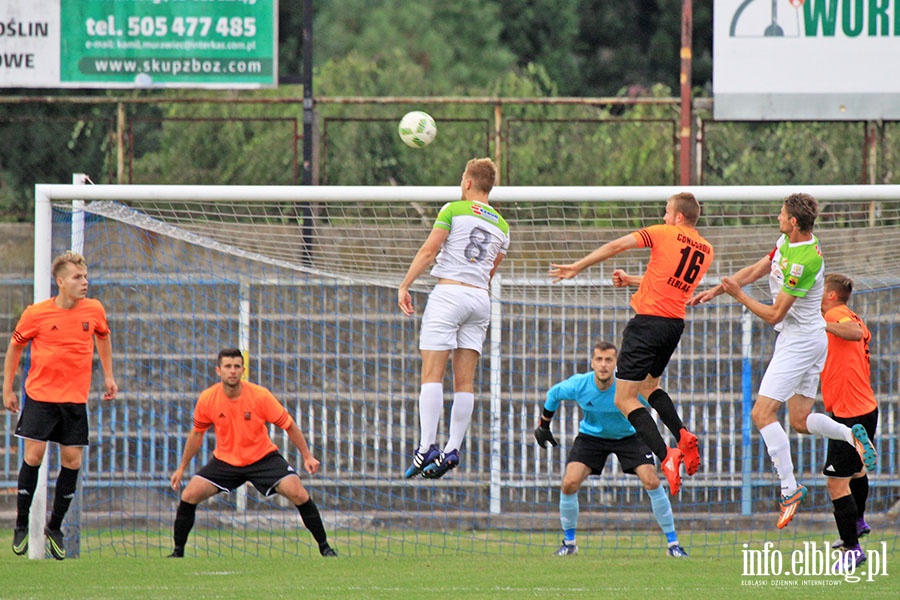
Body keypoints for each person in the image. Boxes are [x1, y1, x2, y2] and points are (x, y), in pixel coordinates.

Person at [689, 193, 876, 529]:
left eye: (781, 212)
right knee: (800, 421)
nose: (777, 215)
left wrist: (739, 296)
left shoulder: (805, 261)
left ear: (793, 221)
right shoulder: (787, 242)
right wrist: (718, 289)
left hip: (799, 342)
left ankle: (789, 488)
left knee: (762, 413)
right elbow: (760, 268)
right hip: (809, 338)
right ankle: (851, 436)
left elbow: (775, 312)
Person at [549, 192, 713, 495]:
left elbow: (615, 246)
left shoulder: (663, 232)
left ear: (678, 217)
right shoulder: (705, 249)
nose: (663, 217)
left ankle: (667, 455)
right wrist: (631, 280)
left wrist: (578, 266)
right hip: (674, 326)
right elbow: (669, 282)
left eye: (666, 212)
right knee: (650, 388)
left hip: (647, 324)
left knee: (623, 399)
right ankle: (682, 432)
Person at [398, 157, 510, 479]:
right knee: (465, 381)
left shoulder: (452, 209)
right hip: (479, 299)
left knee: (432, 374)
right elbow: (490, 271)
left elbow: (429, 251)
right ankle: (452, 449)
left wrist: (405, 284)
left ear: (468, 182)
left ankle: (426, 447)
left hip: (450, 293)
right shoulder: (503, 226)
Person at [3, 250, 118, 560]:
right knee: (34, 455)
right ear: (61, 282)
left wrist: (108, 376)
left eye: (86, 276)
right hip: (40, 396)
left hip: (74, 400)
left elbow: (103, 338)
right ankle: (22, 523)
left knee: (72, 462)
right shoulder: (36, 313)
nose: (85, 282)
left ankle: (54, 527)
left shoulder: (93, 310)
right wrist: (8, 388)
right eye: (78, 277)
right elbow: (15, 347)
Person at [168, 348, 337, 558]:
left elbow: (289, 425)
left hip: (262, 458)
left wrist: (307, 456)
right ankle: (178, 553)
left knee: (299, 493)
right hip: (225, 461)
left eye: (237, 366)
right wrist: (181, 467)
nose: (232, 371)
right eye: (228, 367)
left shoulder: (260, 396)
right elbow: (196, 434)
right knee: (189, 495)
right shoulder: (208, 398)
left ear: (243, 370)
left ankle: (325, 548)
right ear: (218, 371)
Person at [534, 342, 688, 558]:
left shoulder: (629, 386)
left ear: (616, 363)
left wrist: (680, 433)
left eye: (608, 360)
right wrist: (543, 425)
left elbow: (657, 401)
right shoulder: (580, 384)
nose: (603, 365)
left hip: (629, 436)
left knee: (652, 481)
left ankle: (673, 545)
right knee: (569, 483)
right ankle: (569, 543)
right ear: (592, 362)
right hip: (592, 437)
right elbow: (553, 394)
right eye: (599, 359)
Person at [820, 274, 878, 571]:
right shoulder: (850, 313)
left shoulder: (836, 314)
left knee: (835, 482)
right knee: (856, 471)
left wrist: (821, 324)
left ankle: (852, 549)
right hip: (865, 406)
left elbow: (854, 332)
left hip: (849, 412)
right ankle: (858, 520)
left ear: (831, 295)